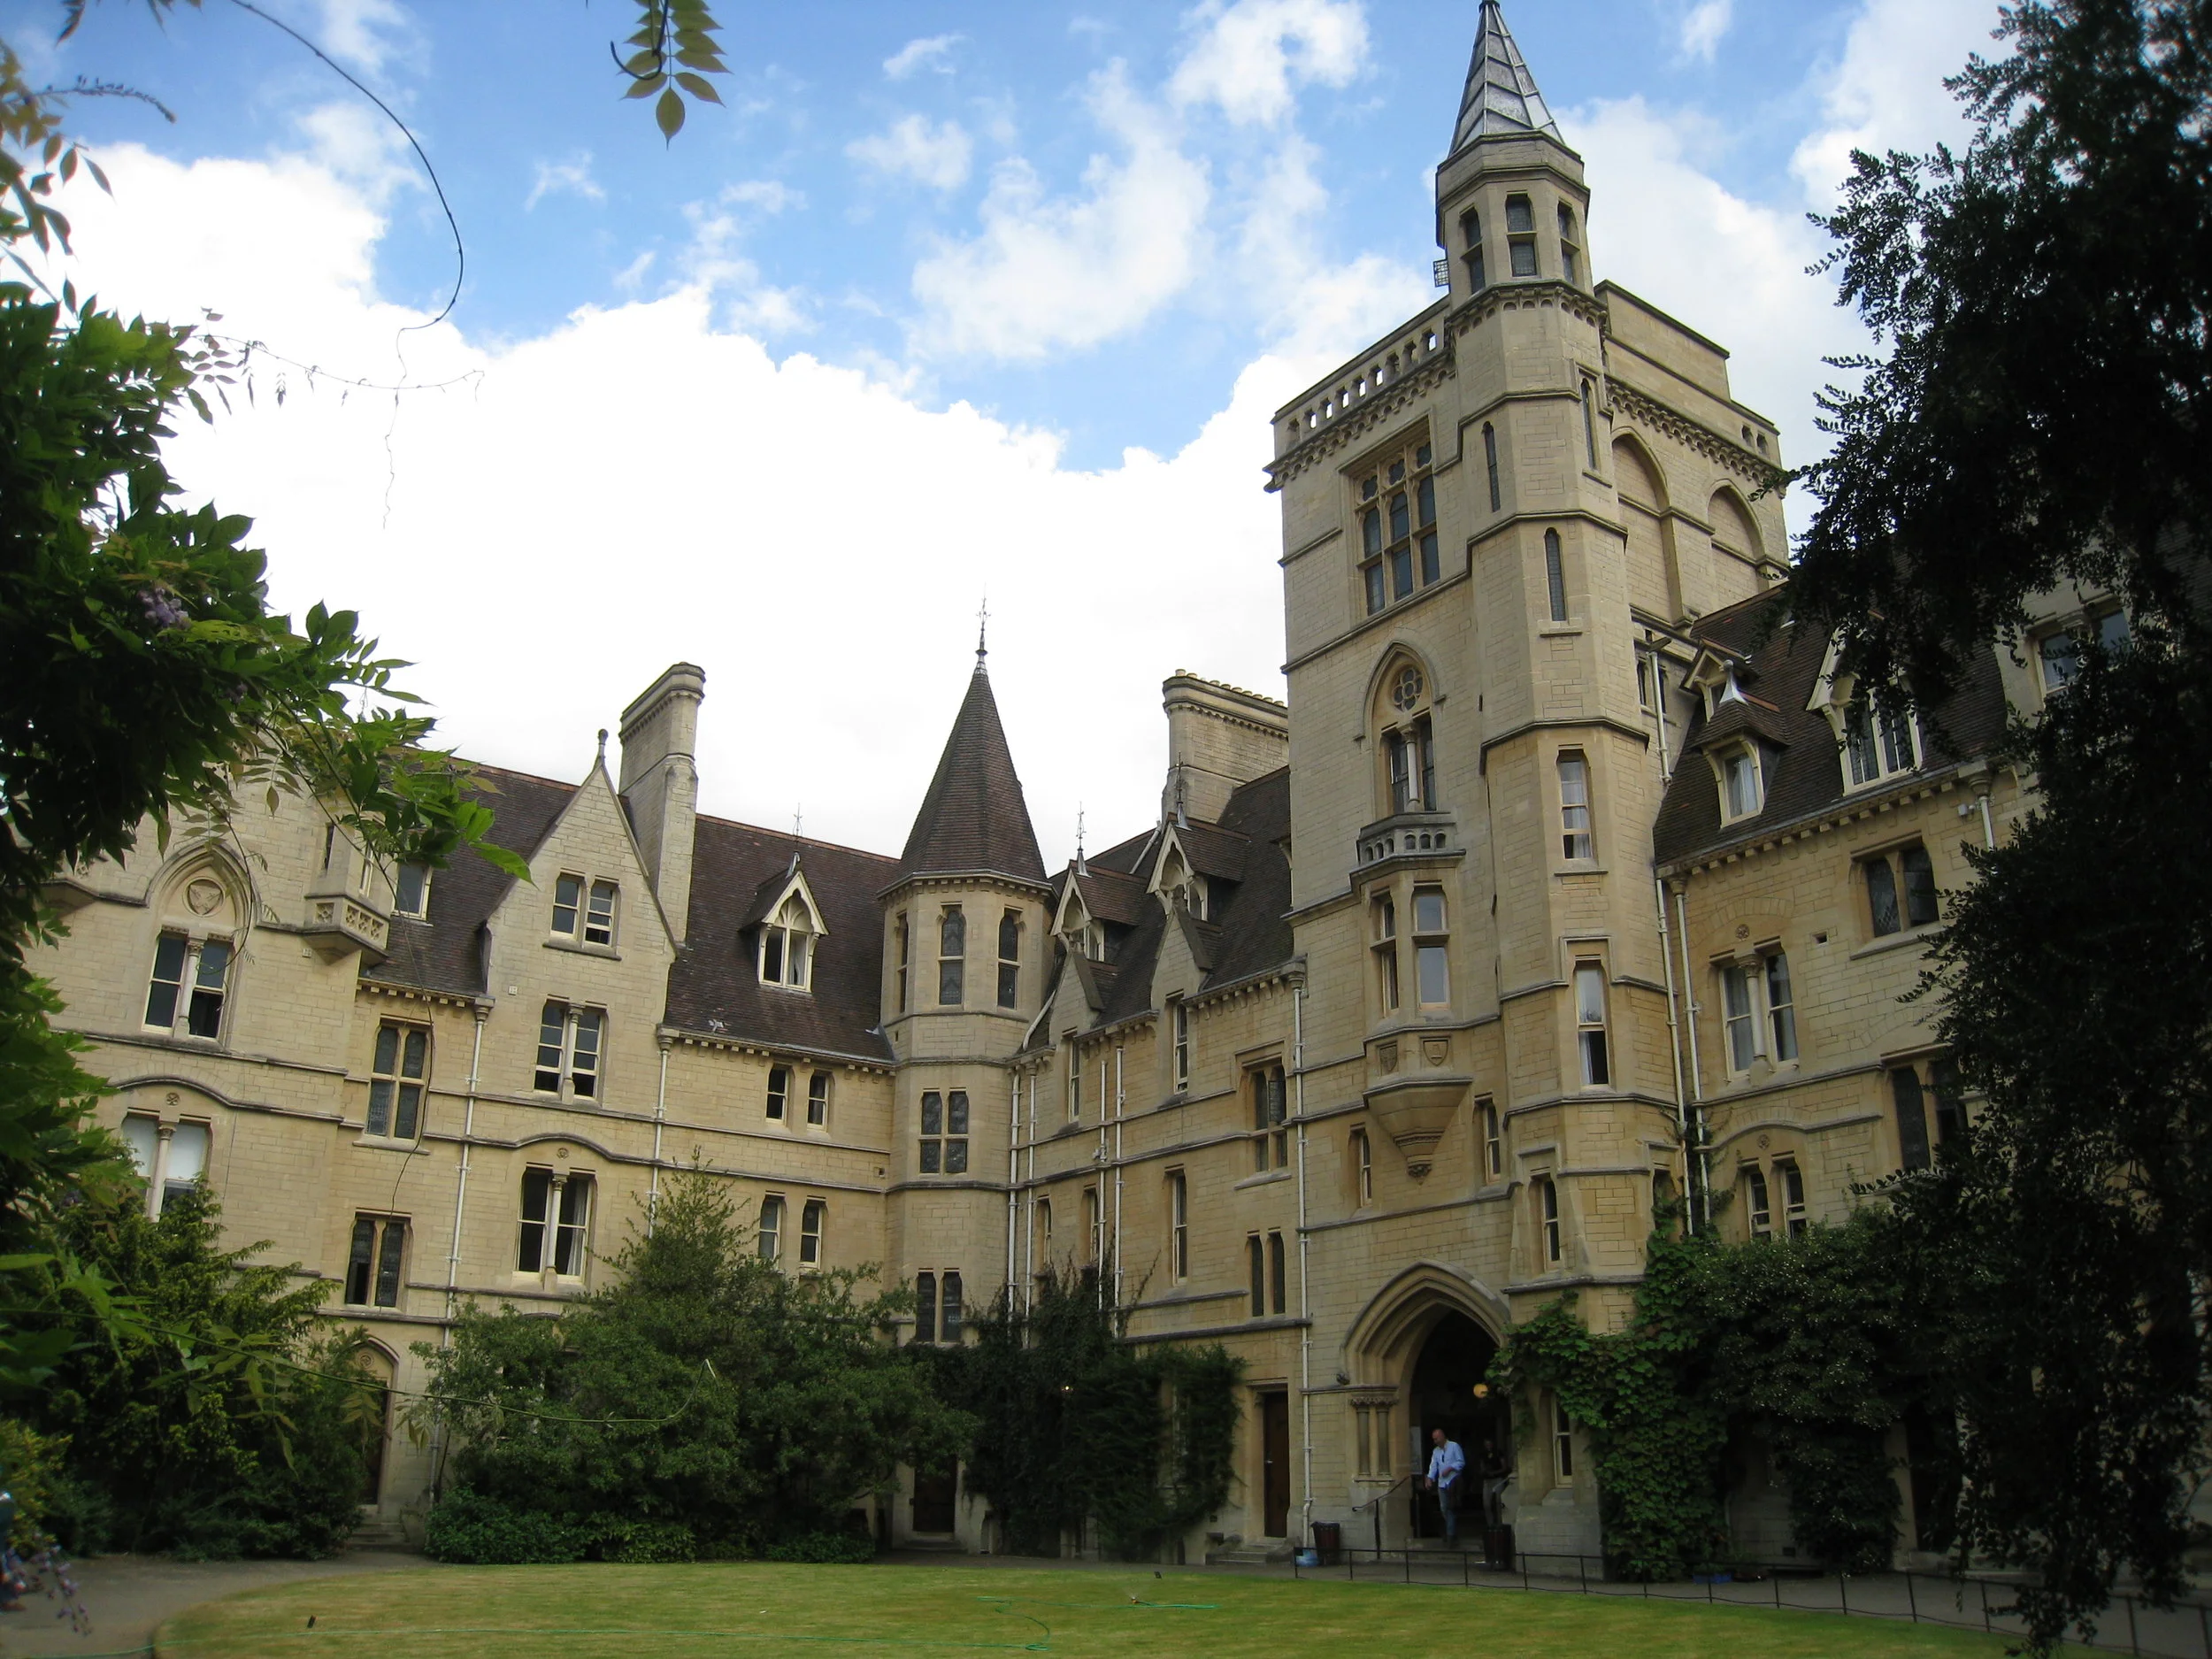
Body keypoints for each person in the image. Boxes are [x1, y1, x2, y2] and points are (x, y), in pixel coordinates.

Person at [1425, 1427, 1466, 1544]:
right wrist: (1430, 1478)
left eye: (1437, 1439)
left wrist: (1450, 1468)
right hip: (1442, 1483)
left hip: (1453, 1481)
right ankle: (1451, 1531)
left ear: (1442, 1436)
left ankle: (1450, 1536)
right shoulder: (1436, 1451)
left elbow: (1461, 1462)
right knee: (1444, 1508)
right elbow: (1433, 1466)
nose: (1435, 1441)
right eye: (1434, 1439)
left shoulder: (1454, 1446)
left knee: (1450, 1508)